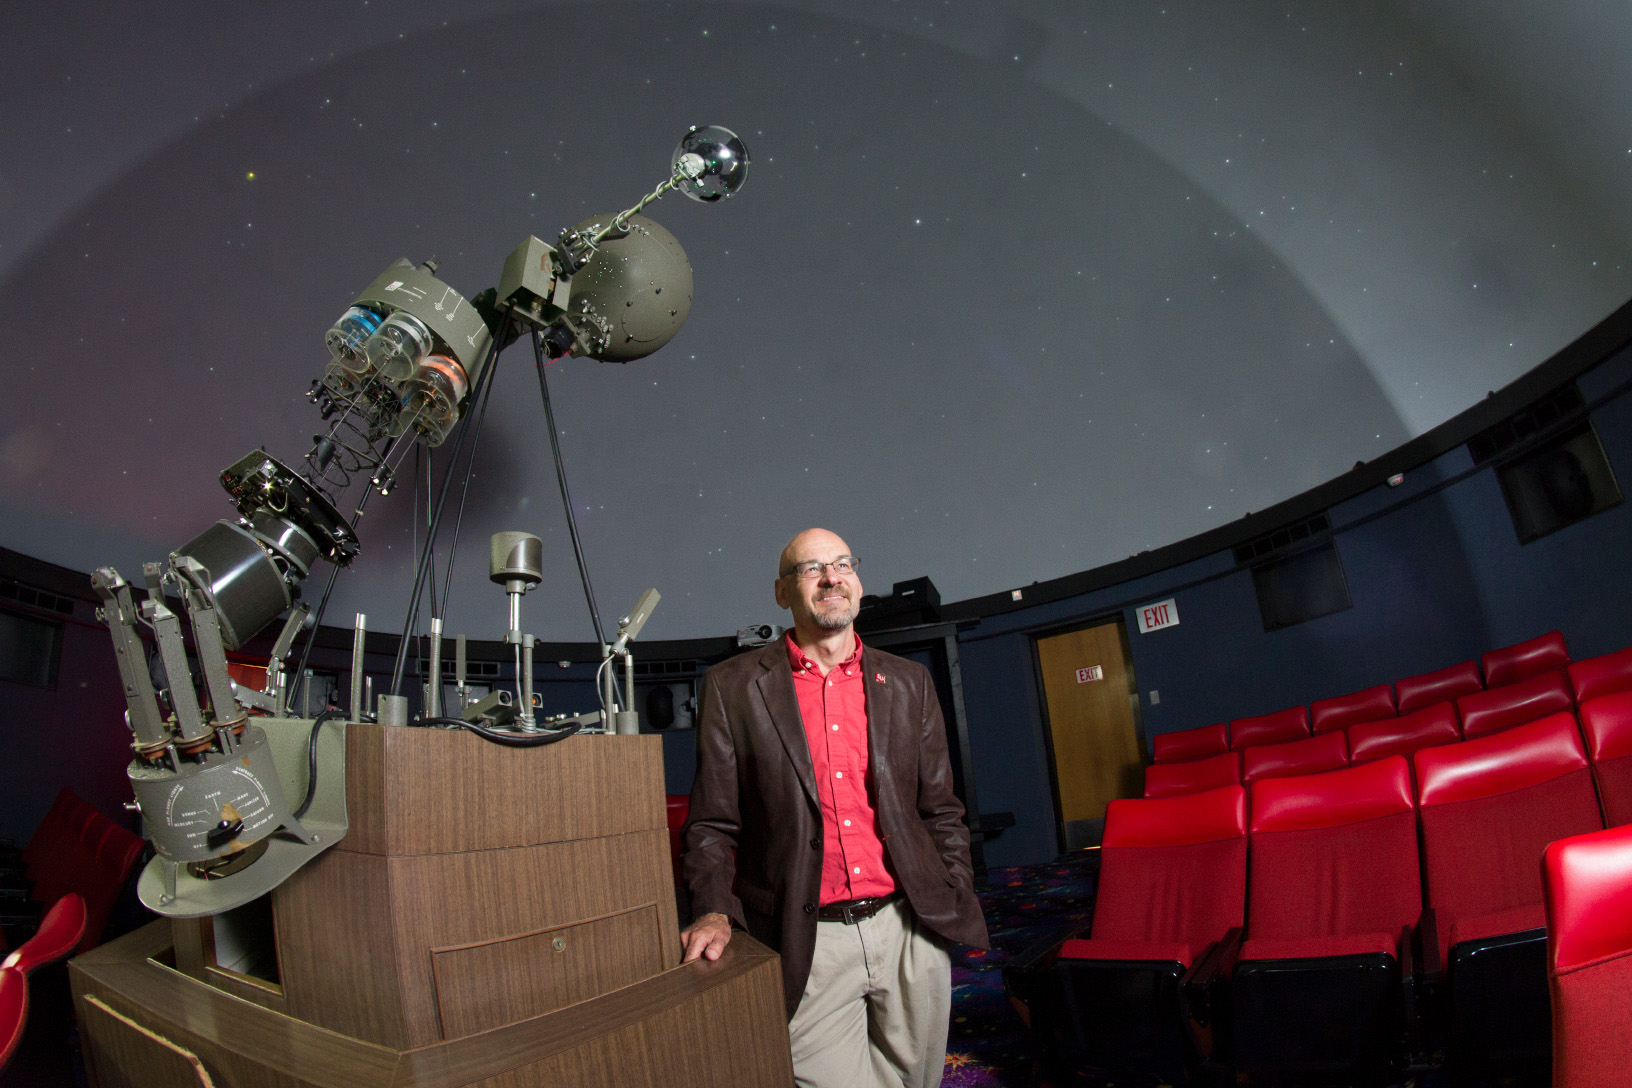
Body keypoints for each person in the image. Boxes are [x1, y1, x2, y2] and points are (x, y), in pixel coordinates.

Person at [680, 528, 990, 1088]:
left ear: (857, 580)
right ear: (783, 593)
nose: (831, 578)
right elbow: (711, 823)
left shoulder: (909, 681)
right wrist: (711, 907)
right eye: (812, 568)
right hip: (807, 938)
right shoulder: (733, 688)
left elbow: (941, 809)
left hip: (908, 928)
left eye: (843, 564)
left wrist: (952, 888)